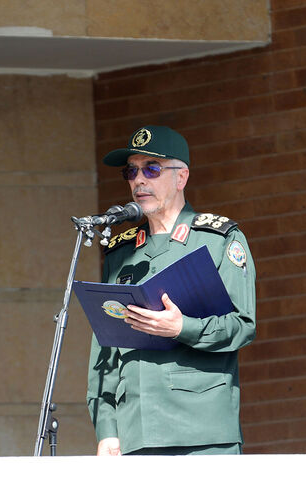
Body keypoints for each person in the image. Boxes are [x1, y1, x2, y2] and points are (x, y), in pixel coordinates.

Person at [86, 125, 256, 456]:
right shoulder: (121, 253)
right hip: (137, 432)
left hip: (203, 432)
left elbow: (242, 325)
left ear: (181, 178)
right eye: (131, 171)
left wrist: (182, 327)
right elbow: (103, 349)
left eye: (152, 169)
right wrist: (107, 428)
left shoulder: (218, 239)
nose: (139, 180)